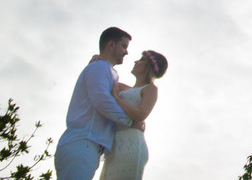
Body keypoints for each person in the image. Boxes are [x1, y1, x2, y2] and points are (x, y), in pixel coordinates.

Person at [54, 27, 135, 180]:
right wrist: (129, 121)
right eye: (124, 46)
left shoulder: (106, 71)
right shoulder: (100, 67)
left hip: (85, 146)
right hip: (83, 143)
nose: (126, 52)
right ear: (111, 45)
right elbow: (101, 100)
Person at [98, 49, 167, 180]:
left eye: (141, 60)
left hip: (131, 145)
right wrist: (97, 59)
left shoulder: (150, 89)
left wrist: (117, 99)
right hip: (114, 146)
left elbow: (141, 114)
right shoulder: (124, 88)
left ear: (149, 66)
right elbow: (103, 78)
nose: (136, 61)